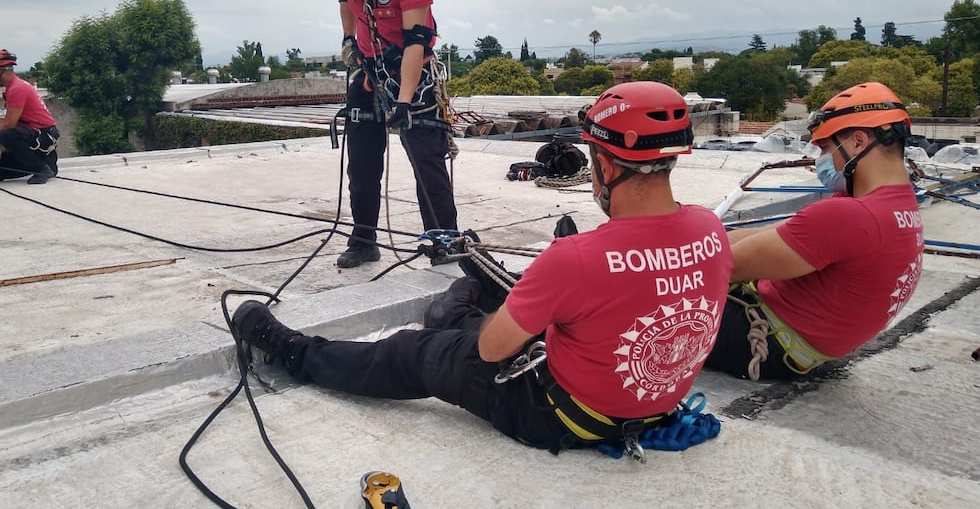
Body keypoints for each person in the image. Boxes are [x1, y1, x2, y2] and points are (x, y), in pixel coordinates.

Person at [232, 82, 733, 455]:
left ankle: (295, 352)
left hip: (555, 415)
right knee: (468, 318)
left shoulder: (577, 257)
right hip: (650, 406)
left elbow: (494, 351)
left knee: (412, 353)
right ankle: (454, 307)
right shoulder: (710, 229)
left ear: (604, 165)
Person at [705, 82, 924, 380]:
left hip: (766, 341)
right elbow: (781, 233)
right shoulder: (898, 204)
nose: (820, 160)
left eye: (825, 147)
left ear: (858, 142)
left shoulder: (850, 216)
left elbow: (718, 266)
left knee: (643, 298)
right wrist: (714, 239)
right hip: (805, 344)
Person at [299, 0, 457, 268]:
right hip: (369, 73)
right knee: (362, 164)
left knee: (426, 161)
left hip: (411, 73)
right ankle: (364, 241)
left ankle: (444, 241)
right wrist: (349, 39)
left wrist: (403, 102)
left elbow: (416, 41)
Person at [0, 49, 59, 185]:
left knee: (6, 135)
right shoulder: (14, 87)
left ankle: (41, 169)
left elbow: (9, 125)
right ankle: (46, 165)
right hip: (38, 138)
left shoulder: (17, 89)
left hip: (42, 136)